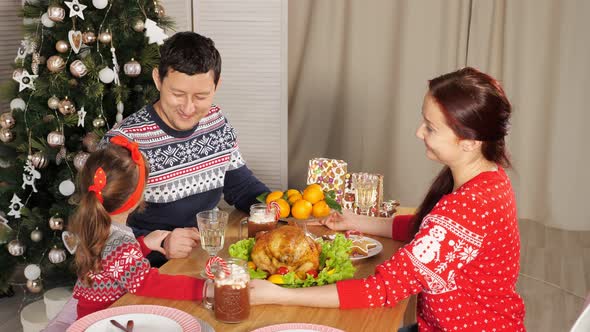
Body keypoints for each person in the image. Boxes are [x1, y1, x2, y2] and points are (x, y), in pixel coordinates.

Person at [250, 67, 526, 331]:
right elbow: (430, 234)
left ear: (469, 141)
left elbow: (381, 289)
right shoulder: (490, 177)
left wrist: (279, 293)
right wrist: (360, 221)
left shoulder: (468, 207)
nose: (419, 132)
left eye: (430, 127)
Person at [102, 31, 269, 266]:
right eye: (177, 94)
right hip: (145, 270)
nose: (189, 108)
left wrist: (278, 206)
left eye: (201, 96)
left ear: (217, 85)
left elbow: (241, 187)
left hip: (199, 257)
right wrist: (161, 242)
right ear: (158, 80)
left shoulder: (216, 122)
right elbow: (101, 232)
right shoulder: (125, 143)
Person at [69, 136, 205, 319]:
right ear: (135, 198)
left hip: (93, 315)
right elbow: (147, 283)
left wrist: (143, 244)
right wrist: (204, 288)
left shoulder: (97, 224)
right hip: (105, 321)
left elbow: (111, 262)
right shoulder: (120, 240)